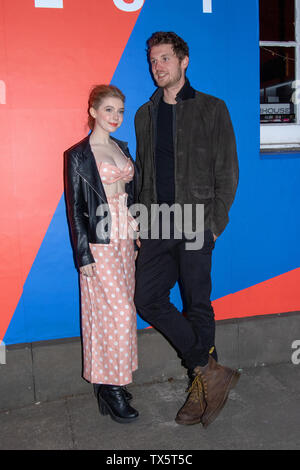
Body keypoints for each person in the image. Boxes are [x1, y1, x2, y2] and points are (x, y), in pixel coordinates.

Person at [134, 32, 240, 427]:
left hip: (198, 221)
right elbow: (144, 175)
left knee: (198, 303)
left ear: (184, 61)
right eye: (153, 61)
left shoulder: (213, 109)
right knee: (146, 298)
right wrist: (142, 222)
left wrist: (215, 224)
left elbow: (227, 171)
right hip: (158, 224)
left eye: (164, 59)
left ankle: (199, 389)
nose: (157, 67)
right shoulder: (145, 115)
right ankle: (209, 369)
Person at [64, 84, 139, 424]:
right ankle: (110, 388)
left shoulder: (121, 147)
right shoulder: (79, 155)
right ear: (93, 111)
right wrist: (84, 255)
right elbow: (75, 207)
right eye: (109, 109)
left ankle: (115, 384)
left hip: (126, 237)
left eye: (120, 111)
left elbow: (130, 193)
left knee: (122, 310)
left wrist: (137, 229)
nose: (115, 117)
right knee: (118, 312)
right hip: (100, 239)